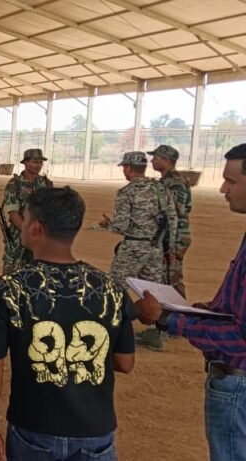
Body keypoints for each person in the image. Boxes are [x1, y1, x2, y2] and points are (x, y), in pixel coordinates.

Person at [0, 186, 136, 461]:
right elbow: (125, 362)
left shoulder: (6, 290)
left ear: (36, 228)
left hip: (34, 426)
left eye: (25, 218)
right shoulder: (111, 289)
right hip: (94, 428)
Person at [135, 144, 246, 461]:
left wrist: (166, 319)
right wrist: (211, 311)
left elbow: (241, 338)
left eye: (231, 181)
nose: (223, 189)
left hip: (238, 384)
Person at [98, 151, 177, 351]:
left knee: (116, 288)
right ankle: (154, 332)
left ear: (128, 168)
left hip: (133, 247)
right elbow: (172, 220)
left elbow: (121, 225)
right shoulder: (160, 189)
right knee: (152, 291)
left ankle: (114, 330)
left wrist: (107, 225)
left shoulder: (127, 192)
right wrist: (168, 247)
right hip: (155, 247)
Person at [149, 144, 193, 297]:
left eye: (155, 158)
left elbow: (176, 209)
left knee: (173, 277)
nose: (152, 161)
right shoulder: (167, 180)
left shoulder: (175, 181)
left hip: (175, 236)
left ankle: (179, 308)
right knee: (164, 275)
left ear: (166, 160)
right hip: (168, 234)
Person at [0, 148, 53, 273]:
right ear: (25, 162)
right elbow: (13, 213)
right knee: (12, 274)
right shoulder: (14, 184)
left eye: (40, 162)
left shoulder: (47, 184)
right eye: (35, 162)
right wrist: (28, 232)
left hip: (40, 237)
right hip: (18, 238)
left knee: (38, 273)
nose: (38, 165)